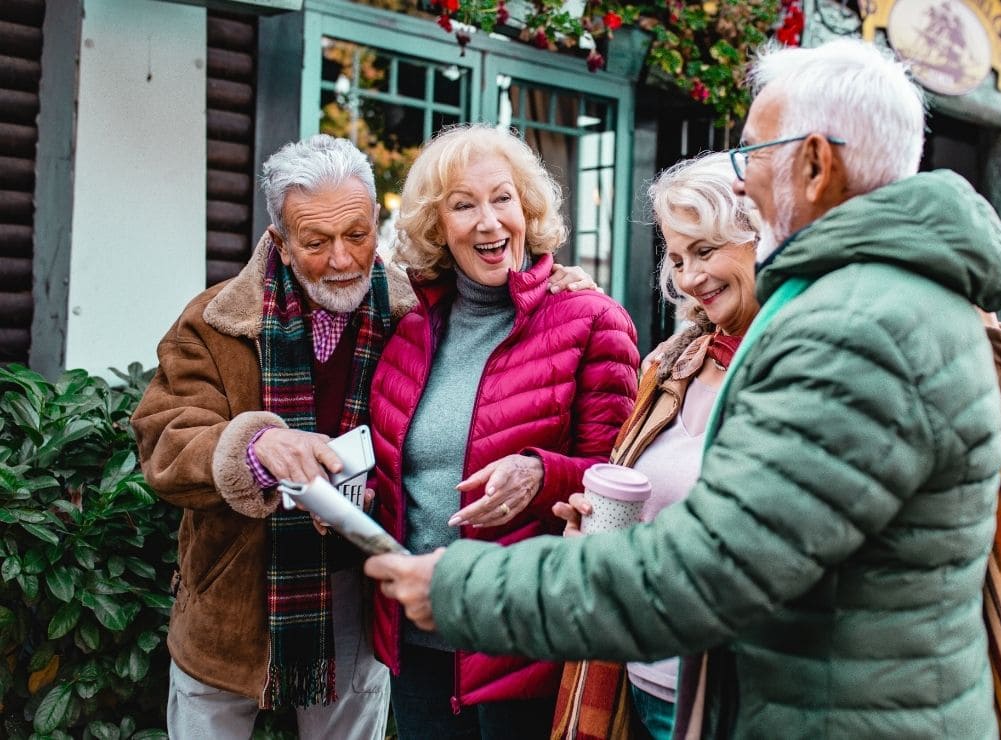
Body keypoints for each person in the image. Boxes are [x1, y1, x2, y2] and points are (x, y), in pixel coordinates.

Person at [365, 37, 1001, 739]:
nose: (741, 182)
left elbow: (711, 570)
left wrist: (462, 589)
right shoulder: (864, 299)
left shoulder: (858, 326)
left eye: (752, 153)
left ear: (816, 162)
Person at [131, 133, 595, 738]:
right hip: (231, 593)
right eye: (317, 242)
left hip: (356, 585)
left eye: (357, 234)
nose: (344, 259)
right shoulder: (215, 319)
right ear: (281, 242)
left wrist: (546, 281)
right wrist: (256, 447)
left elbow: (497, 290)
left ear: (378, 220)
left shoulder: (415, 311)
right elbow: (163, 437)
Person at [366, 123, 640, 738]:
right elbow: (397, 475)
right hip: (418, 639)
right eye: (464, 205)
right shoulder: (408, 332)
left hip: (523, 641)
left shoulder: (592, 320)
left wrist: (542, 474)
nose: (489, 222)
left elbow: (619, 482)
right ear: (438, 228)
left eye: (502, 198)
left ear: (527, 208)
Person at [549, 152, 759, 740]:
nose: (689, 278)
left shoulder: (796, 376)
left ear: (759, 237)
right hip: (636, 678)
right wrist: (589, 531)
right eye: (677, 257)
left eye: (706, 250)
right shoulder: (671, 367)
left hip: (733, 696)